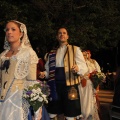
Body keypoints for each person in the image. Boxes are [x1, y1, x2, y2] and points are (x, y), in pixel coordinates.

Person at [39, 27, 88, 120]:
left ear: (67, 36)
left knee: (71, 112)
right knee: (53, 111)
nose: (62, 34)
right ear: (57, 37)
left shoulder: (75, 49)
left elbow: (84, 67)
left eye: (64, 33)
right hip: (55, 86)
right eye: (60, 33)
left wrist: (78, 68)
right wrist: (44, 74)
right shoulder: (52, 52)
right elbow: (48, 69)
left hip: (70, 86)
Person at [0, 20, 40, 120]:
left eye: (13, 29)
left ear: (21, 34)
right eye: (7, 30)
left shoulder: (28, 53)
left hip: (17, 100)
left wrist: (37, 108)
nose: (9, 32)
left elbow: (32, 81)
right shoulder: (2, 55)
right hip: (2, 98)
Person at [78, 50, 100, 120]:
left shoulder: (90, 63)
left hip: (88, 85)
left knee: (89, 101)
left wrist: (94, 77)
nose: (84, 57)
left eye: (85, 55)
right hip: (80, 85)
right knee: (82, 101)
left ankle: (88, 115)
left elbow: (95, 73)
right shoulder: (78, 63)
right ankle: (82, 115)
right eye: (83, 55)